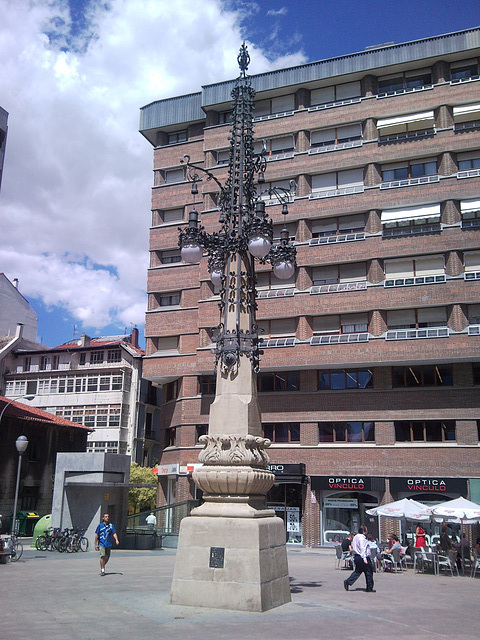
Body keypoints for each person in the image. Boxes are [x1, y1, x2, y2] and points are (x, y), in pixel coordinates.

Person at [344, 525, 375, 593]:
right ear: (364, 532)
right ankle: (369, 587)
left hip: (357, 556)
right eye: (366, 530)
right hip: (363, 557)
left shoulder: (356, 537)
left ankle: (348, 581)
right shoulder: (362, 538)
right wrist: (364, 559)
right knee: (368, 572)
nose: (367, 532)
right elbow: (362, 548)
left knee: (358, 571)